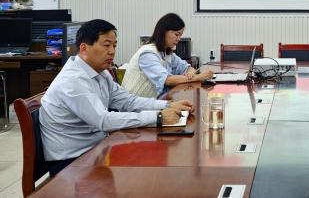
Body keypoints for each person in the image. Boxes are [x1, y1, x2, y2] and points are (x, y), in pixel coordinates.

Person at [40, 19, 196, 176]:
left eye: (114, 46)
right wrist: (159, 117)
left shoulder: (100, 73)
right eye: (106, 45)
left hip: (96, 150)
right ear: (84, 48)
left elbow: (128, 101)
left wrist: (168, 105)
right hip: (71, 164)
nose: (112, 51)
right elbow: (104, 120)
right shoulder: (73, 80)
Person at [122, 13, 214, 98]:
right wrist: (198, 77)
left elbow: (188, 68)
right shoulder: (147, 54)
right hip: (135, 106)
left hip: (154, 102)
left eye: (180, 35)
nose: (178, 39)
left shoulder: (167, 53)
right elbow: (167, 80)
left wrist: (191, 74)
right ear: (164, 31)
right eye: (176, 34)